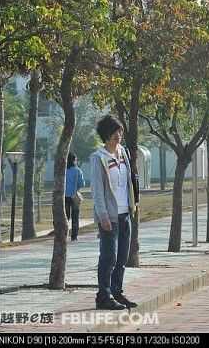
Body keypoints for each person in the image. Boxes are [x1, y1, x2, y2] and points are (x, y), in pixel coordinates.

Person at [90, 115, 138, 310]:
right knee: (108, 257)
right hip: (110, 216)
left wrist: (133, 204)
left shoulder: (123, 153)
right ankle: (103, 296)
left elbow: (129, 181)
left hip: (125, 213)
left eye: (120, 131)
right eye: (115, 131)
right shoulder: (99, 157)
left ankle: (117, 292)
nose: (119, 135)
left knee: (122, 258)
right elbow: (97, 190)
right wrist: (103, 216)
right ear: (106, 134)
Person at [65, 152, 85, 241]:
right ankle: (74, 236)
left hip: (64, 197)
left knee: (66, 217)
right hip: (74, 197)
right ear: (74, 160)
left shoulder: (63, 171)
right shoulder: (77, 170)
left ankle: (64, 234)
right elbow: (82, 184)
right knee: (75, 216)